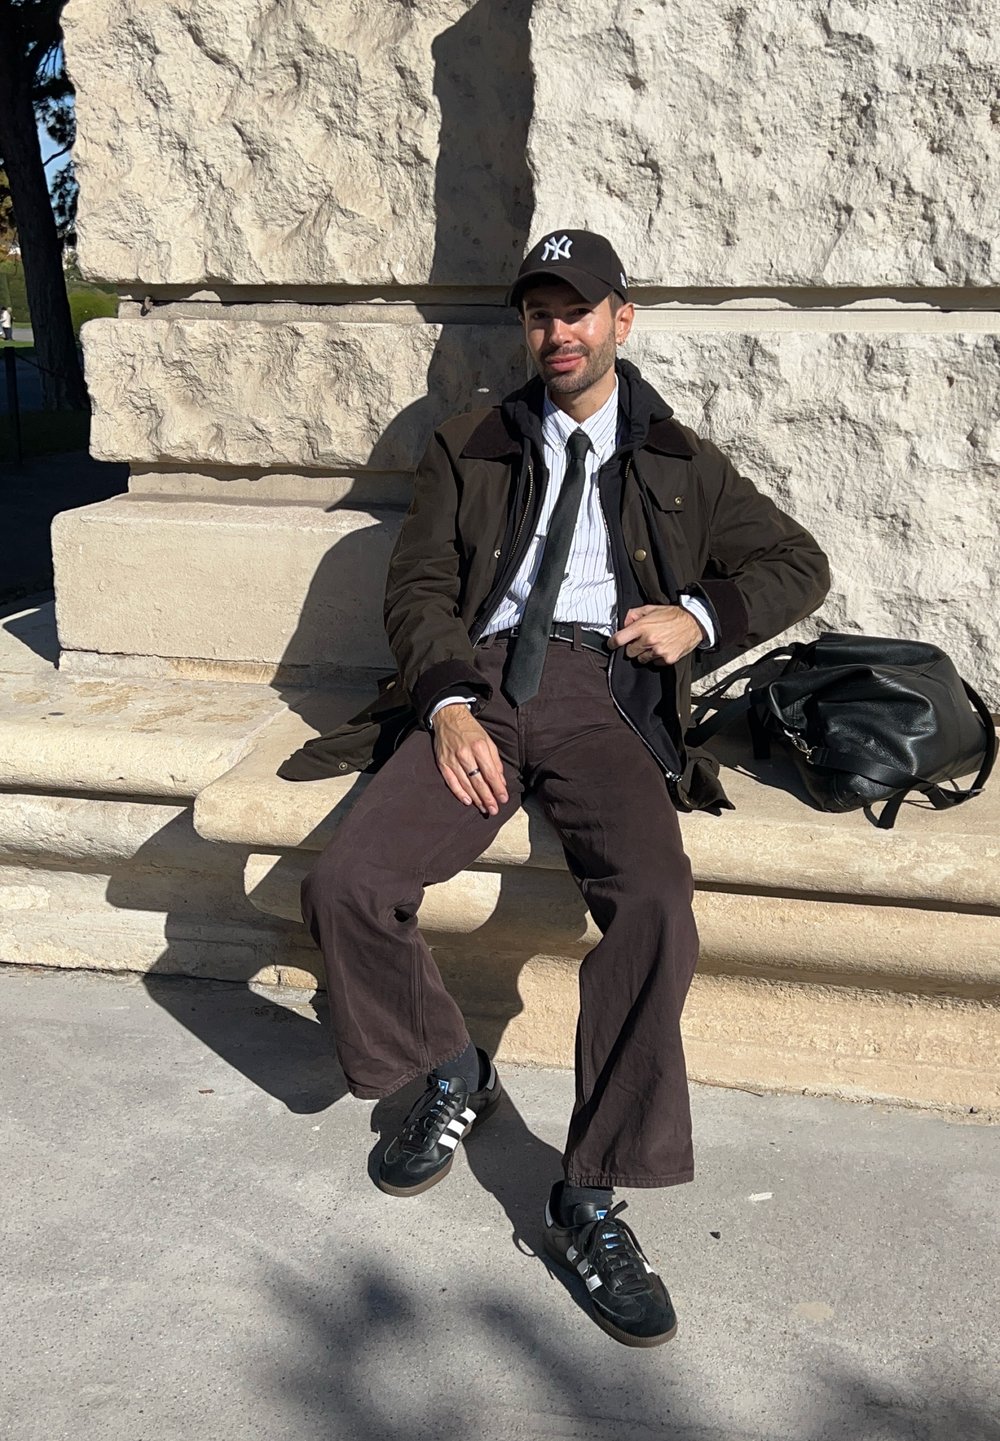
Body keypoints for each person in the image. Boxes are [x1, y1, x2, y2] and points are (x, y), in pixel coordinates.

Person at [282, 229, 830, 1347]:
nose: (558, 332)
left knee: (654, 904)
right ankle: (444, 1064)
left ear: (621, 320)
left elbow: (795, 563)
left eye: (577, 311)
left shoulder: (679, 460)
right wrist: (440, 704)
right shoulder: (467, 444)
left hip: (605, 691)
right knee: (347, 879)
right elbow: (421, 583)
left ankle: (588, 1193)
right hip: (475, 688)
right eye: (539, 313)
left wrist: (699, 618)